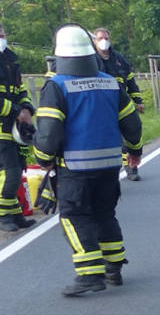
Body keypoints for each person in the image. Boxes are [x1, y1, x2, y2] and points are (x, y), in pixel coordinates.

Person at [33, 24, 143, 296]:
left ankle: (89, 274)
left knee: (74, 217)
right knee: (105, 213)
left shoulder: (56, 86)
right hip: (109, 167)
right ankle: (114, 268)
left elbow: (48, 133)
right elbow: (132, 124)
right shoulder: (110, 83)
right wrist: (135, 151)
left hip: (75, 169)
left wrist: (43, 158)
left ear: (59, 57)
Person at [93, 27, 144, 181]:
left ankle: (131, 167)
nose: (104, 41)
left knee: (128, 134)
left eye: (106, 38)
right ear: (94, 41)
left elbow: (131, 82)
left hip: (121, 104)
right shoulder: (90, 61)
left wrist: (138, 101)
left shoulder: (119, 60)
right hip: (100, 107)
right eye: (100, 38)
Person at [0, 23, 36, 232]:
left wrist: (27, 108)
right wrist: (17, 111)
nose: (1, 38)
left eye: (2, 34)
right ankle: (4, 216)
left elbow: (20, 88)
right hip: (2, 129)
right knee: (10, 173)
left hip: (14, 129)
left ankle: (15, 214)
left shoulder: (11, 59)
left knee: (17, 170)